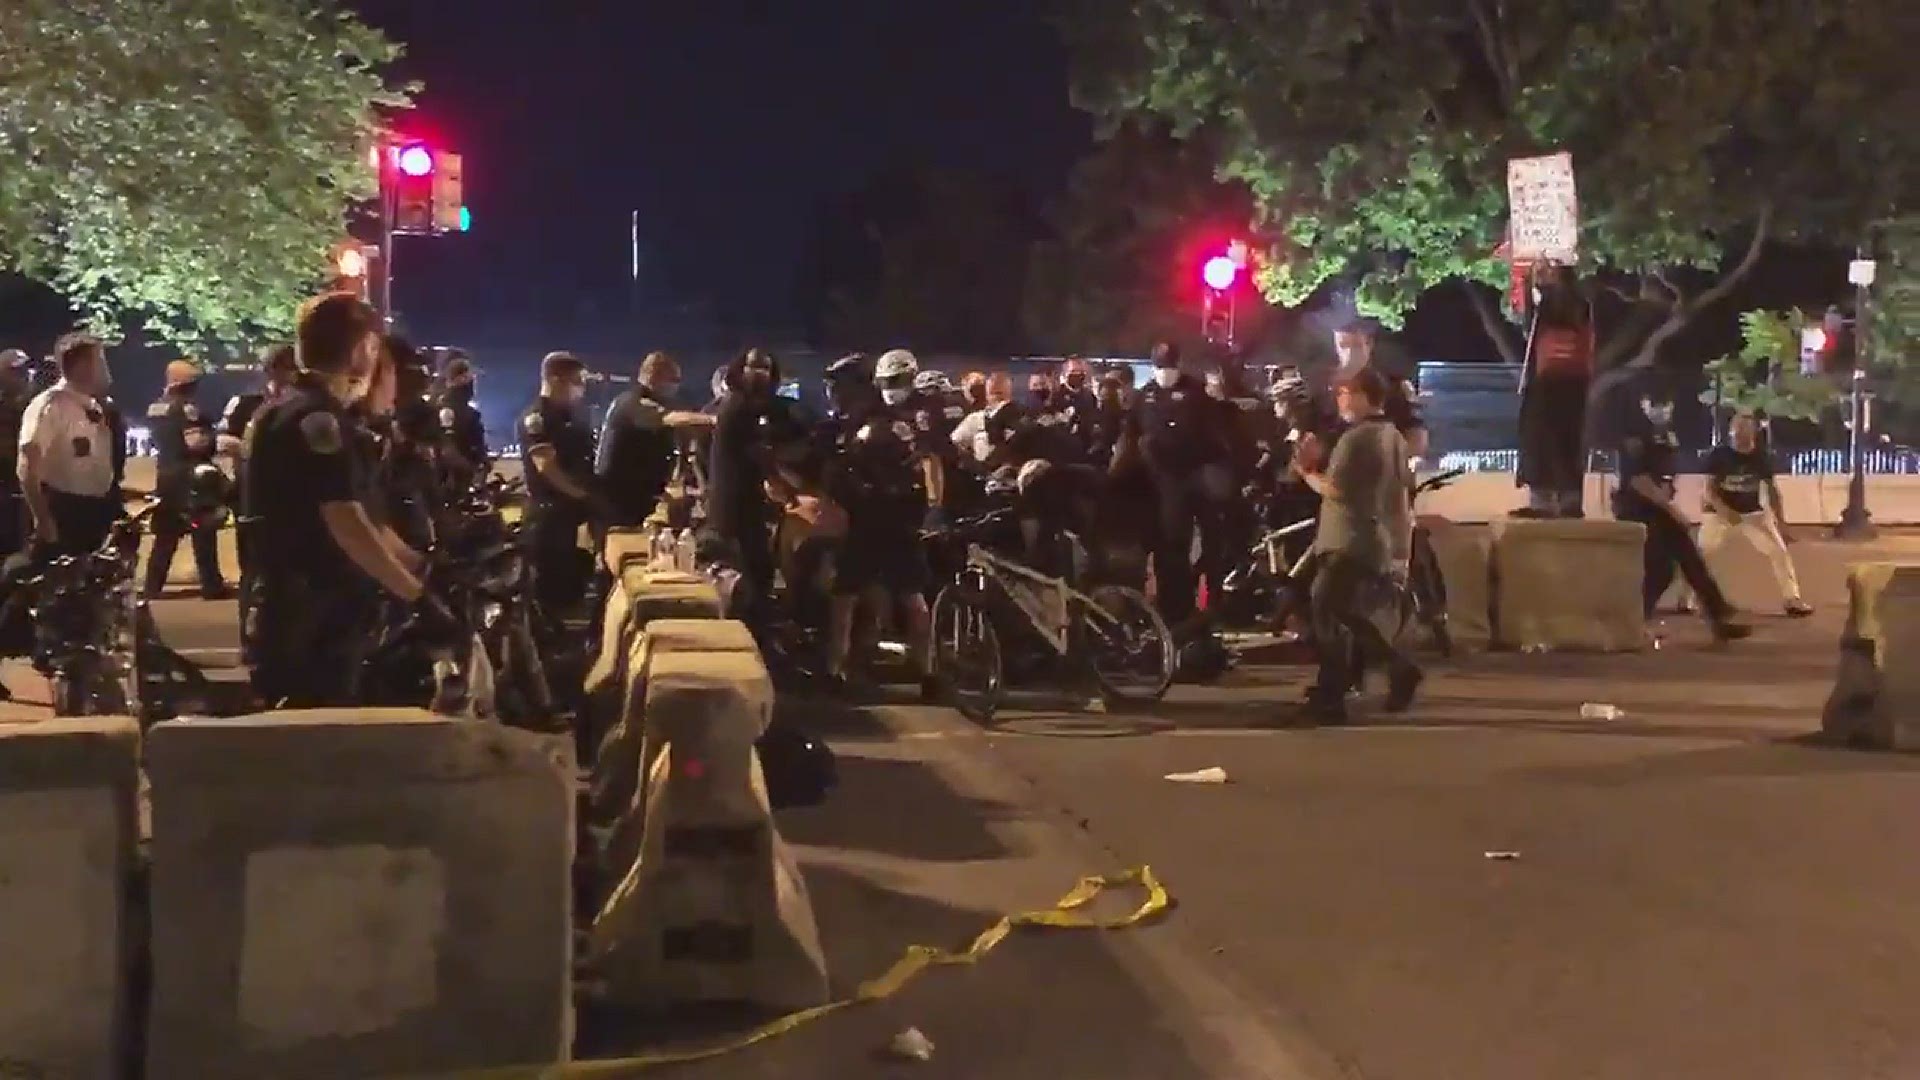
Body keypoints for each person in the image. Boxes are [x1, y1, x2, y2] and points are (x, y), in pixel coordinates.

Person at [243, 293, 445, 706]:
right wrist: (415, 596)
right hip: (311, 618)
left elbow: (370, 521)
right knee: (322, 742)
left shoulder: (294, 410)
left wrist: (424, 567)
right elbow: (346, 523)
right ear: (361, 349)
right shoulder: (317, 420)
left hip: (310, 613)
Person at [1297, 367, 1422, 721]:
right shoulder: (1392, 435)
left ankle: (1337, 694)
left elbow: (1338, 489)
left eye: (1345, 392)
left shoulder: (1357, 438)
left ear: (1366, 396)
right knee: (1343, 612)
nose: (1340, 399)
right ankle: (1381, 674)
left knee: (1326, 609)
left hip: (1349, 540)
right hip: (1377, 539)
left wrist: (1308, 472)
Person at [1612, 389, 1751, 642]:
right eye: (1657, 403)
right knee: (1660, 568)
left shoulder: (1665, 435)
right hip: (1637, 509)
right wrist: (1672, 510)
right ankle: (1634, 620)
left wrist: (1669, 491)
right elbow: (1639, 481)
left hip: (1659, 507)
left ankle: (1718, 617)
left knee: (1691, 559)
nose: (1664, 410)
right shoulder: (1633, 437)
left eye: (1667, 404)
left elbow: (1664, 472)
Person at [1113, 342, 1233, 628]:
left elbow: (1213, 435)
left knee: (1205, 546)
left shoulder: (1196, 393)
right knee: (1169, 547)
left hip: (1195, 479)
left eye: (1168, 366)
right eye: (1160, 367)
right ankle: (1172, 607)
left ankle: (1207, 606)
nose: (1165, 373)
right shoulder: (1146, 396)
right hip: (1161, 483)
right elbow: (1130, 433)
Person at [1692, 412, 1813, 617]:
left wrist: (1781, 522)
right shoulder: (1718, 455)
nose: (1740, 435)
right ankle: (1690, 599)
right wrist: (1725, 512)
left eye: (1745, 430)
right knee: (1701, 554)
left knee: (1779, 551)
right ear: (1730, 432)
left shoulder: (1762, 457)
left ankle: (1792, 599)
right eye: (1737, 430)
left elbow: (1773, 491)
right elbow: (1708, 491)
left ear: (1755, 433)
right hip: (1718, 513)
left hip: (1752, 513)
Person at [19, 334, 120, 558]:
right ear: (83, 367)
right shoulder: (50, 405)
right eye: (101, 361)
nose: (106, 369)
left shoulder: (93, 405)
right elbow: (27, 468)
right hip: (63, 512)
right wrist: (44, 520)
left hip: (93, 512)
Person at [518, 351, 601, 615]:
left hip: (567, 517)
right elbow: (547, 467)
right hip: (548, 517)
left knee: (571, 585)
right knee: (551, 592)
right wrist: (582, 495)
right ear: (555, 379)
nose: (581, 389)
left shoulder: (569, 416)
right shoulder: (538, 418)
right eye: (576, 381)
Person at [143, 359, 231, 600]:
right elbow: (197, 443)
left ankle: (152, 586)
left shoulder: (155, 408)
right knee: (203, 531)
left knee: (166, 536)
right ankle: (211, 585)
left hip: (166, 475)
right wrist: (212, 439)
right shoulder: (188, 410)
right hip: (191, 478)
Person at [1515, 265, 1595, 517]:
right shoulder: (1579, 310)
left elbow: (1532, 322)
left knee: (1544, 441)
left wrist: (1529, 284)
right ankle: (1565, 500)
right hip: (1572, 386)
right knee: (1565, 442)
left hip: (1552, 386)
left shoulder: (1557, 312)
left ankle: (1547, 500)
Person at [436, 353, 488, 487]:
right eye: (471, 377)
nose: (474, 382)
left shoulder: (465, 410)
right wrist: (472, 471)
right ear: (460, 379)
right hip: (453, 485)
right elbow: (447, 449)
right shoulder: (449, 408)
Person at [0, 350, 33, 558]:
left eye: (23, 370)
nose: (22, 375)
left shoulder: (35, 405)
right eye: (15, 371)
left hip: (26, 487)